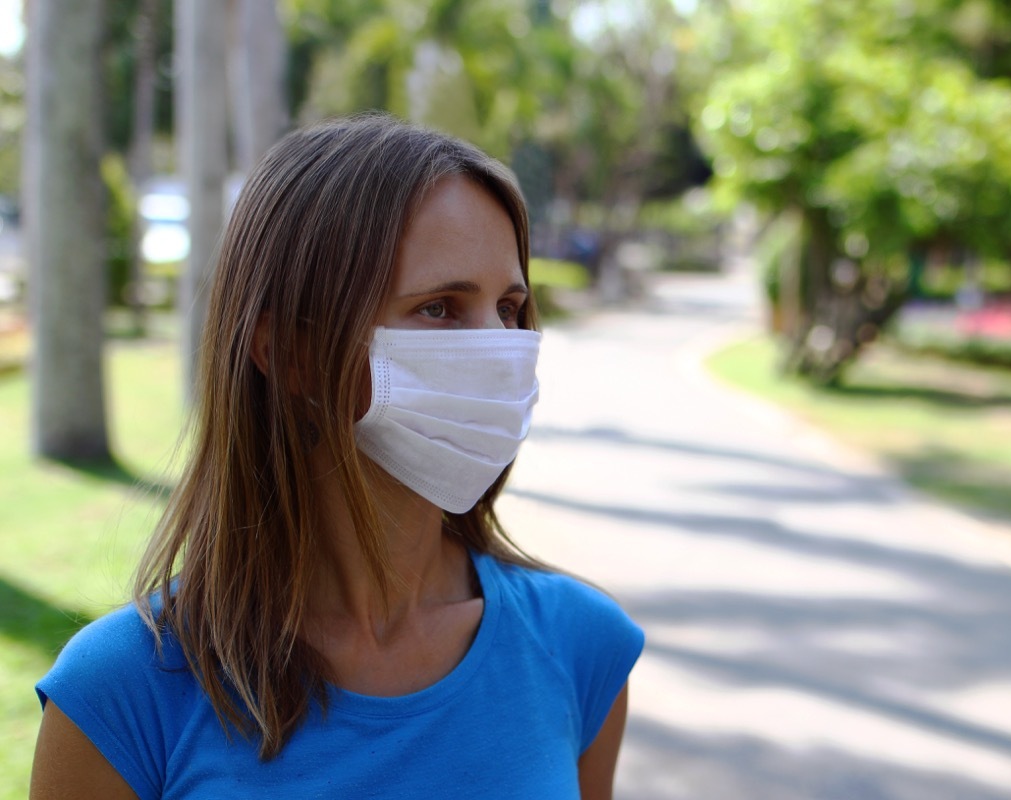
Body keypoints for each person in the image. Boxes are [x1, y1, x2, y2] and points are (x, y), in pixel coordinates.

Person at [30, 115, 643, 799]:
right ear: (288, 352)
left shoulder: (582, 645)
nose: (499, 350)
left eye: (509, 307)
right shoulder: (123, 693)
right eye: (439, 309)